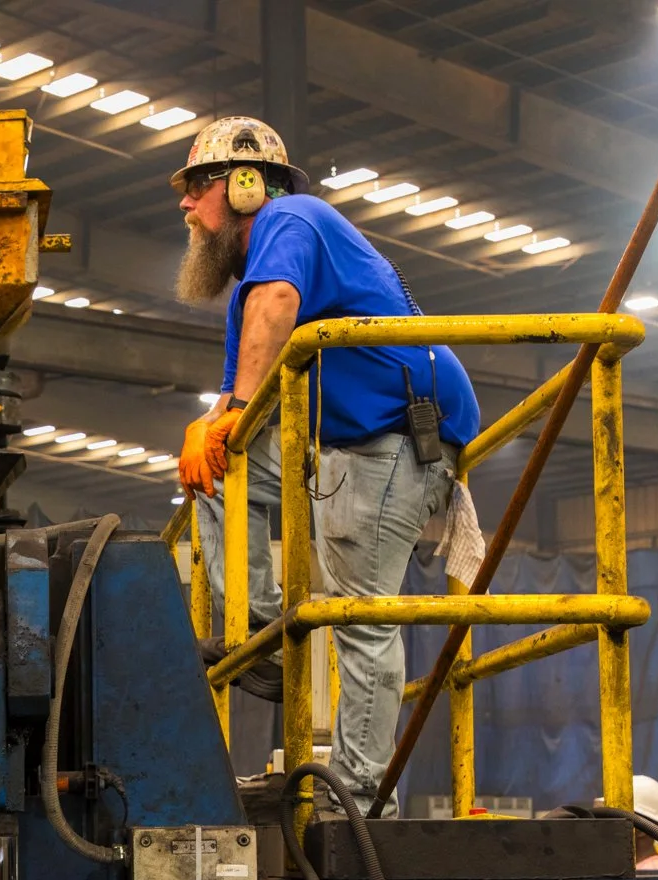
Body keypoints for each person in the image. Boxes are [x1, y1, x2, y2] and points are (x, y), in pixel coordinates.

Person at [172, 115, 482, 808]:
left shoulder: (294, 220)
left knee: (360, 613)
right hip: (346, 445)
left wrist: (233, 411)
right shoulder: (251, 284)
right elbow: (237, 405)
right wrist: (210, 426)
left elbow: (278, 310)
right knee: (214, 473)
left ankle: (364, 799)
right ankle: (265, 637)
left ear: (248, 185)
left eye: (198, 186)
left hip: (403, 436)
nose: (186, 205)